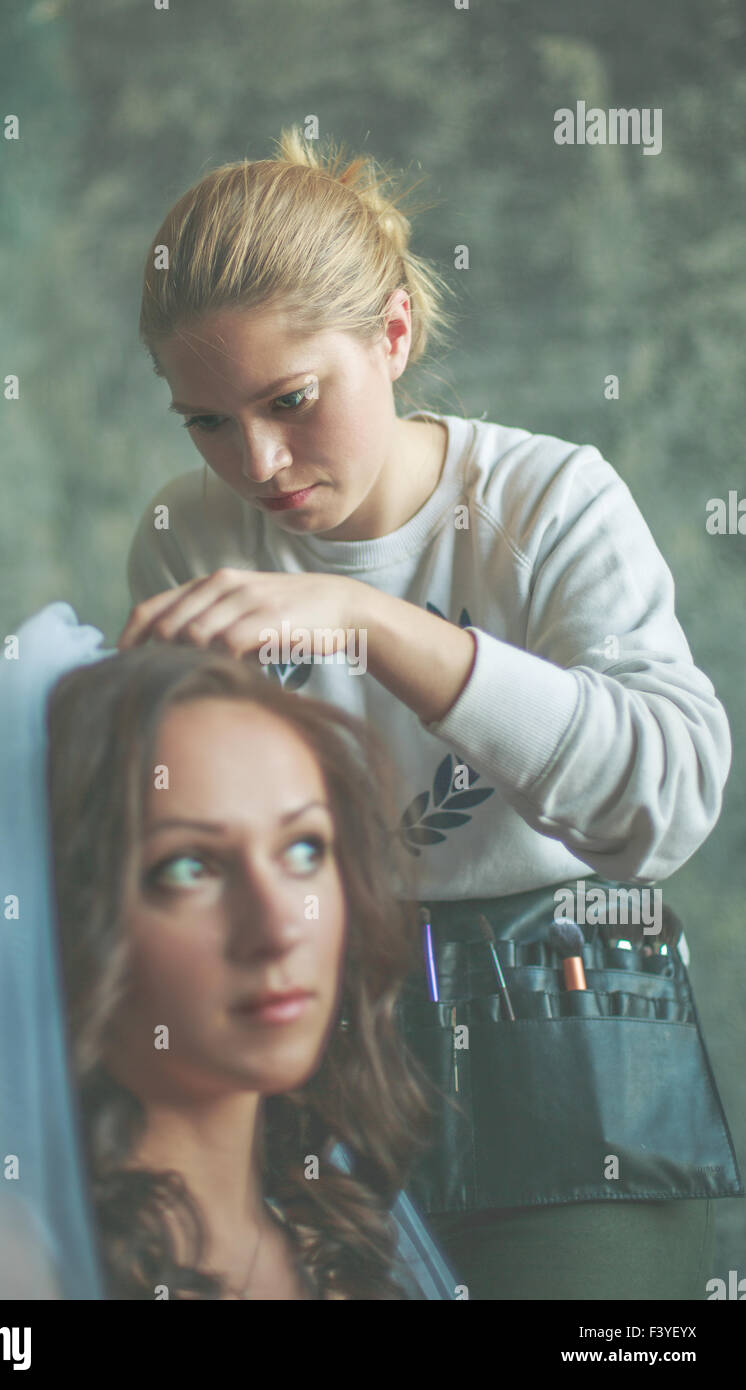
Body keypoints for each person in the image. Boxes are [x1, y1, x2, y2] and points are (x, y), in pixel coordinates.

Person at [120, 125, 741, 1299]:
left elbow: (661, 811)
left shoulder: (553, 499)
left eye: (291, 399)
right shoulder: (182, 533)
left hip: (575, 1062)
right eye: (204, 420)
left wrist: (378, 628)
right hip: (306, 1060)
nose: (255, 460)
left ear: (392, 333)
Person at [0, 602, 456, 1300]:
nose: (278, 928)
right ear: (65, 906)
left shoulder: (335, 1230)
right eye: (189, 867)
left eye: (303, 849)